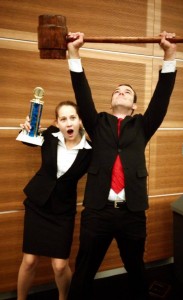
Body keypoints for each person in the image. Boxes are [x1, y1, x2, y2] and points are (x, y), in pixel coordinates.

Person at [66, 31, 177, 300]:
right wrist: (74, 52)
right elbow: (82, 94)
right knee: (84, 271)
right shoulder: (98, 122)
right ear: (112, 101)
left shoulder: (142, 125)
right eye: (117, 90)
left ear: (134, 105)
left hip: (132, 212)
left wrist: (169, 55)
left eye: (127, 91)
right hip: (98, 211)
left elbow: (161, 100)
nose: (121, 92)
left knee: (137, 270)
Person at [17, 100, 92, 300]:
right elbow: (28, 139)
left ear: (80, 121)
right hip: (37, 204)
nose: (68, 123)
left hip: (63, 211)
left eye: (73, 118)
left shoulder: (90, 150)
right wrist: (27, 128)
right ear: (57, 122)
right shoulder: (50, 135)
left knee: (60, 266)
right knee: (30, 260)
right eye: (63, 119)